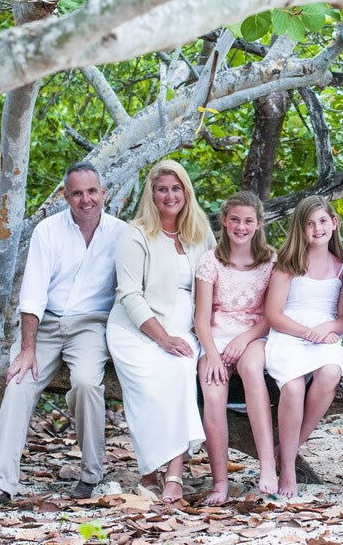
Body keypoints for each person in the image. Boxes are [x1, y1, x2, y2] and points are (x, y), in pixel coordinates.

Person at [0, 163, 126, 508]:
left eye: (91, 191)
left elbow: (131, 289)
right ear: (65, 196)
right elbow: (33, 294)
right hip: (44, 325)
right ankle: (1, 484)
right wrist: (27, 349)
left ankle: (91, 474)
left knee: (87, 383)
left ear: (103, 193)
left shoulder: (122, 234)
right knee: (17, 385)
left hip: (91, 324)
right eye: (77, 193)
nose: (85, 199)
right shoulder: (48, 231)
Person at [106, 160, 215, 504]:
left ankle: (172, 472)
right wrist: (162, 338)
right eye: (162, 189)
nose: (170, 195)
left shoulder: (200, 232)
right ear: (151, 194)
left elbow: (220, 276)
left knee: (182, 369)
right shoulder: (136, 234)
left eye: (176, 188)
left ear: (186, 191)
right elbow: (128, 294)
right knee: (150, 388)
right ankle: (149, 470)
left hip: (185, 330)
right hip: (137, 331)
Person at [265, 195, 343, 498]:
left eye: (323, 221)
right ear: (300, 229)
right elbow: (273, 315)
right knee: (292, 387)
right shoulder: (288, 264)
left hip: (324, 338)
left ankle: (291, 447)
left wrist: (326, 329)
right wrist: (306, 332)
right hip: (289, 335)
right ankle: (287, 467)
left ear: (334, 223)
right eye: (309, 223)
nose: (317, 228)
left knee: (330, 372)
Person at [193, 191, 276, 503]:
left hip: (255, 334)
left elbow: (271, 316)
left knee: (252, 370)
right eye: (235, 220)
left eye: (248, 221)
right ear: (224, 221)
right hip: (216, 336)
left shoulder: (271, 260)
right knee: (213, 394)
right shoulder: (210, 261)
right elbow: (201, 318)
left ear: (258, 224)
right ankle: (220, 482)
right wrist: (212, 354)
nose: (241, 226)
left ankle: (267, 466)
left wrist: (245, 339)